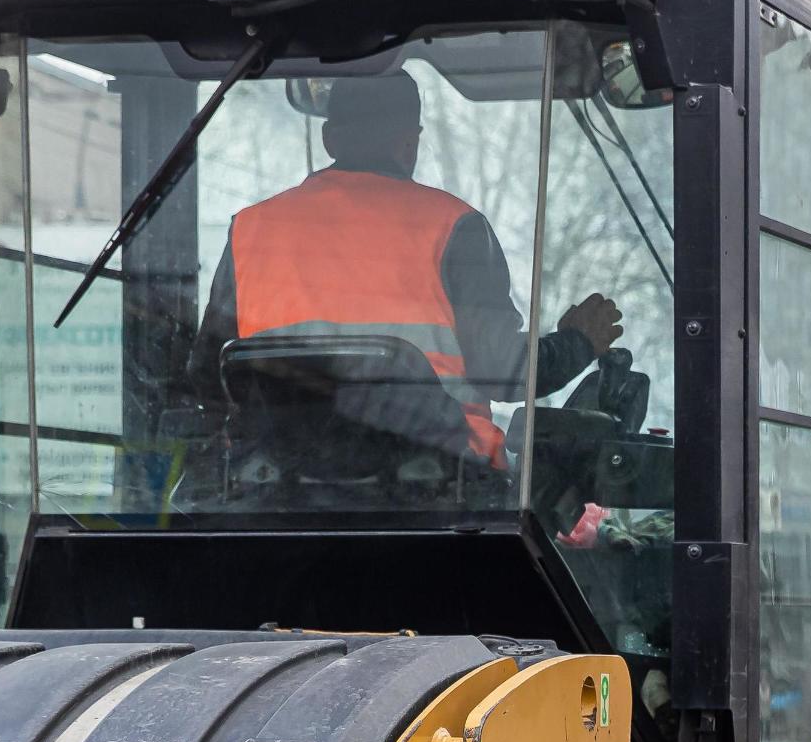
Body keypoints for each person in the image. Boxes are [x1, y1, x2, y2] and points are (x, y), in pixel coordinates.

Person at [192, 68, 623, 469]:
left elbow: (207, 377)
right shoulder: (455, 227)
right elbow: (504, 371)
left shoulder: (251, 230)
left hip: (275, 487)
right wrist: (578, 341)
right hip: (437, 487)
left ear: (329, 140)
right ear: (409, 142)